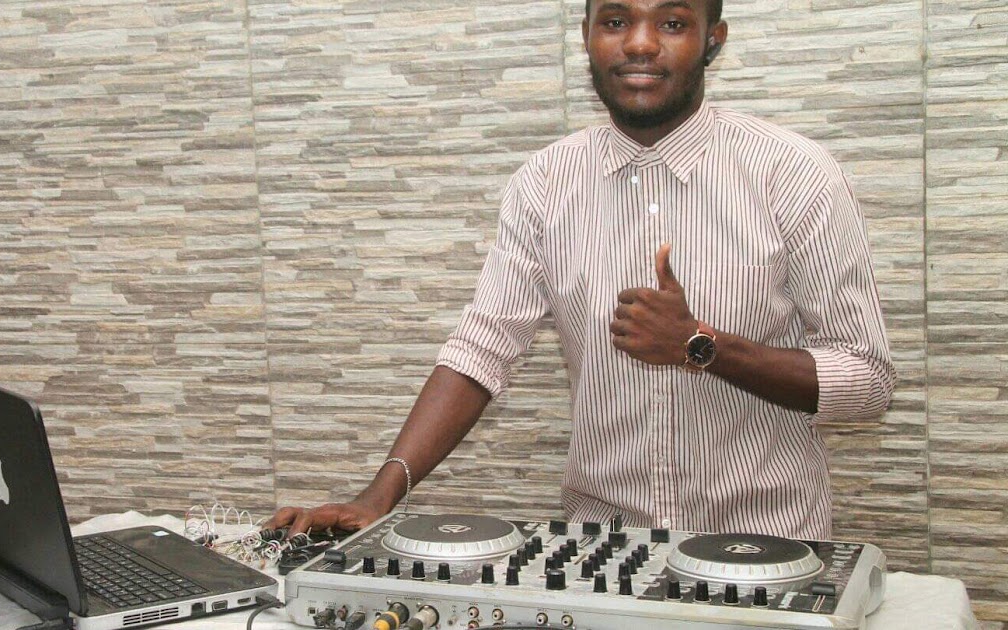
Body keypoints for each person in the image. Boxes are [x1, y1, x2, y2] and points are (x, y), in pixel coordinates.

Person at [266, 0, 895, 541]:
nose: (640, 43)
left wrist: (700, 346)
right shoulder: (545, 183)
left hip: (765, 546)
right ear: (586, 36)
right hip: (603, 547)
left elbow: (867, 381)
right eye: (615, 21)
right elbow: (483, 348)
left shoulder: (795, 173)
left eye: (672, 22)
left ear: (713, 40)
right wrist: (378, 498)